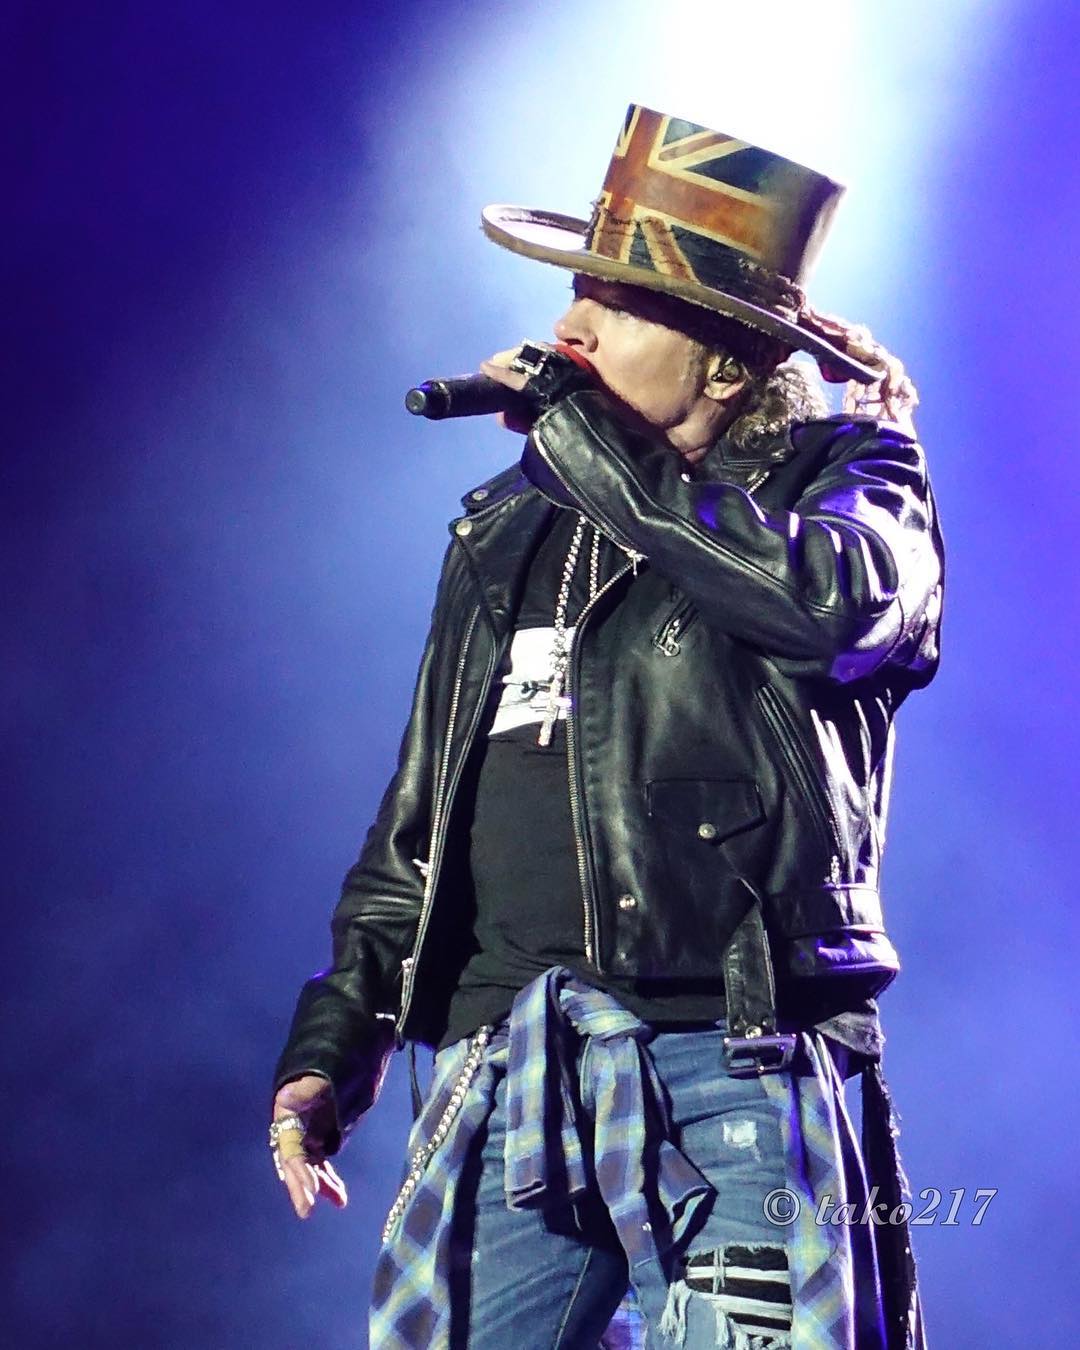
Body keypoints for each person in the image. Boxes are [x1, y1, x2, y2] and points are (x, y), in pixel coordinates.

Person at [269, 104, 943, 1349]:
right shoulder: (506, 531)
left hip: (728, 1051)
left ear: (726, 365)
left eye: (618, 304)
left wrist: (588, 447)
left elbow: (833, 614)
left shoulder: (849, 480)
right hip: (503, 1057)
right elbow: (424, 812)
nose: (571, 325)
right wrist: (337, 1040)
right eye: (577, 289)